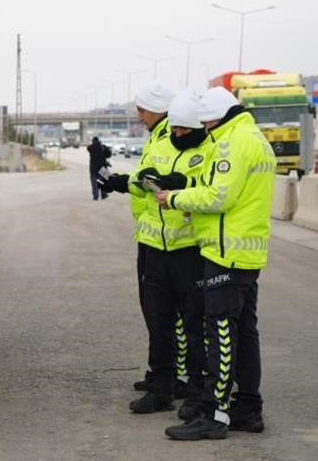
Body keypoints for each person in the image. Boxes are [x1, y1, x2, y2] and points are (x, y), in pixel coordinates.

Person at [157, 86, 276, 440]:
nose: (205, 128)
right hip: (245, 250)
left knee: (221, 333)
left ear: (219, 117)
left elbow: (220, 195)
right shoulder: (255, 137)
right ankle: (248, 408)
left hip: (226, 252)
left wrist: (175, 198)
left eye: (207, 122)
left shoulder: (234, 141)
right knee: (244, 333)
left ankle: (215, 415)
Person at [117, 90, 211, 419]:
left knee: (194, 325)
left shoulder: (209, 151)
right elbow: (144, 177)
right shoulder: (159, 144)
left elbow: (209, 189)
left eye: (185, 131)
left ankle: (198, 392)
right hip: (155, 248)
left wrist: (179, 183)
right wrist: (128, 181)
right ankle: (161, 387)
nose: (178, 136)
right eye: (175, 130)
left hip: (189, 251)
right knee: (158, 321)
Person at [97, 82, 178, 397]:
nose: (139, 115)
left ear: (158, 109)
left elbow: (159, 182)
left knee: (163, 314)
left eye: (143, 110)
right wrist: (120, 182)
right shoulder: (158, 137)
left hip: (168, 238)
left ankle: (170, 379)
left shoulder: (171, 137)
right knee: (154, 311)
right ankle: (164, 373)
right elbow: (147, 179)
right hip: (151, 234)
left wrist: (126, 183)